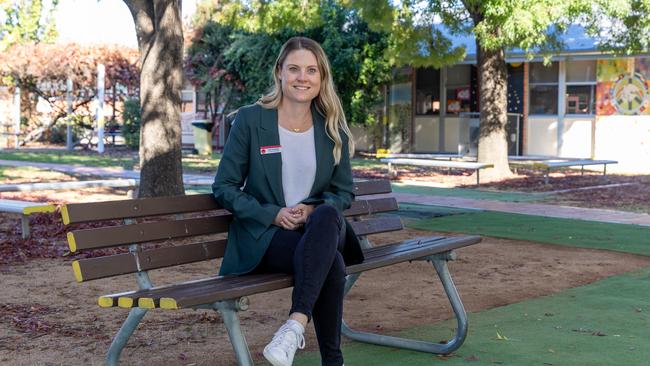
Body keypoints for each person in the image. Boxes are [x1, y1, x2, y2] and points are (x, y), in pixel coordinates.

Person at [212, 37, 364, 366]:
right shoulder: (252, 120)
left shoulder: (332, 126)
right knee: (332, 263)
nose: (302, 77)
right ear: (279, 72)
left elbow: (343, 192)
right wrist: (273, 214)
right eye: (293, 68)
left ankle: (294, 325)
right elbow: (224, 186)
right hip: (269, 237)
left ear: (321, 78)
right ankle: (328, 358)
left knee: (325, 214)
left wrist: (310, 210)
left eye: (311, 70)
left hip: (320, 228)